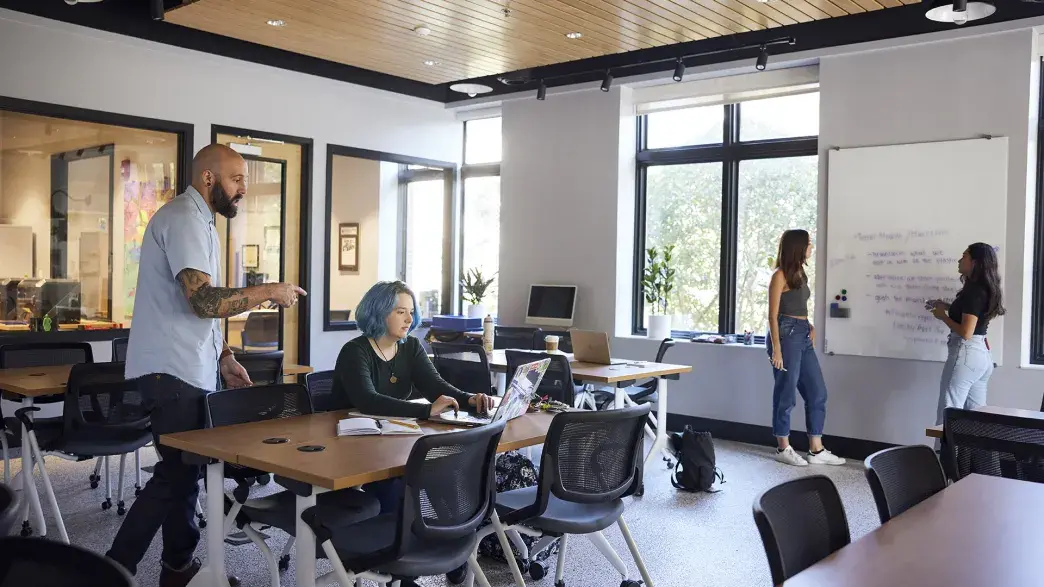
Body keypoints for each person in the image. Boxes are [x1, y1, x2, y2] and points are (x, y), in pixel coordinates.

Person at [106, 144, 306, 587]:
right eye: (236, 180)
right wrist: (268, 290)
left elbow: (200, 310)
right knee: (176, 472)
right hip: (170, 370)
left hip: (188, 368)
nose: (243, 191)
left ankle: (178, 568)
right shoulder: (182, 219)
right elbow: (204, 301)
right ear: (209, 178)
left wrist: (225, 356)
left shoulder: (200, 223)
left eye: (245, 183)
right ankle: (112, 568)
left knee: (185, 472)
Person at [332, 280, 491, 587]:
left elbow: (436, 387)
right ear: (379, 313)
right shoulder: (355, 351)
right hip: (353, 448)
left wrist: (468, 398)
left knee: (444, 469)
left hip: (393, 439)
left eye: (411, 312)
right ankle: (399, 565)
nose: (409, 319)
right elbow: (368, 400)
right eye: (400, 311)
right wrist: (425, 411)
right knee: (399, 485)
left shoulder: (411, 347)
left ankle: (451, 546)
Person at [766, 229, 845, 467]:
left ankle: (816, 449)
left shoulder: (800, 274)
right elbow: (772, 315)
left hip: (801, 332)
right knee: (786, 393)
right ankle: (783, 447)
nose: (812, 247)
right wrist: (777, 349)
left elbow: (797, 305)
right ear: (797, 247)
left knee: (817, 392)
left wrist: (807, 323)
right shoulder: (779, 275)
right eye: (809, 244)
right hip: (785, 334)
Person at [930, 243, 1004, 427]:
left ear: (975, 262)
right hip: (982, 357)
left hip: (966, 355)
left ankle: (944, 456)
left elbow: (966, 332)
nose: (959, 260)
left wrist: (942, 317)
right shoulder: (984, 288)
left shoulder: (973, 292)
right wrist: (948, 306)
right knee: (976, 417)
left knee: (948, 413)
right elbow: (972, 316)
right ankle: (975, 457)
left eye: (964, 256)